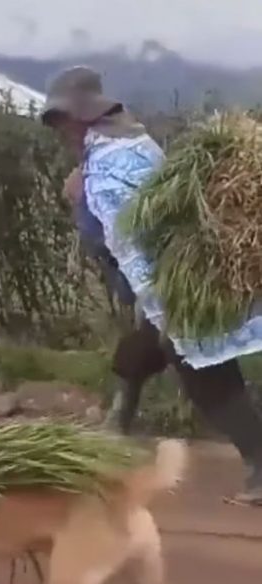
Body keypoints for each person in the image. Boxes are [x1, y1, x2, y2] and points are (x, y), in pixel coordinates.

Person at [40, 65, 262, 505]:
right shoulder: (130, 141)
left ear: (82, 115)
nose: (60, 129)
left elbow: (130, 240)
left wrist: (165, 309)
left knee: (205, 377)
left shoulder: (107, 165)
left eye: (62, 119)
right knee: (138, 355)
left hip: (172, 286)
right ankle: (114, 435)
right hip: (170, 279)